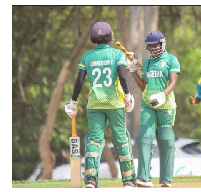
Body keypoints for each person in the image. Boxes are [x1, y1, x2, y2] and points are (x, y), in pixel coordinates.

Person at [64, 21, 137, 188]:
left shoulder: (87, 56)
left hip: (95, 104)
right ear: (110, 37)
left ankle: (90, 179)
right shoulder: (117, 54)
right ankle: (127, 180)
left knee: (94, 141)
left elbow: (80, 80)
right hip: (114, 103)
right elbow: (123, 76)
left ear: (93, 38)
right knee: (121, 140)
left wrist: (73, 102)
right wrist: (128, 96)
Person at [126, 30, 180, 187]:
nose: (153, 48)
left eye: (155, 45)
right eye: (150, 46)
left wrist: (163, 94)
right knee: (143, 136)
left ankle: (166, 178)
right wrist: (133, 71)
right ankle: (144, 177)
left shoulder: (171, 60)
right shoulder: (148, 62)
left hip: (166, 104)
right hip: (148, 104)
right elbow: (144, 86)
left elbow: (173, 82)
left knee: (166, 138)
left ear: (162, 44)